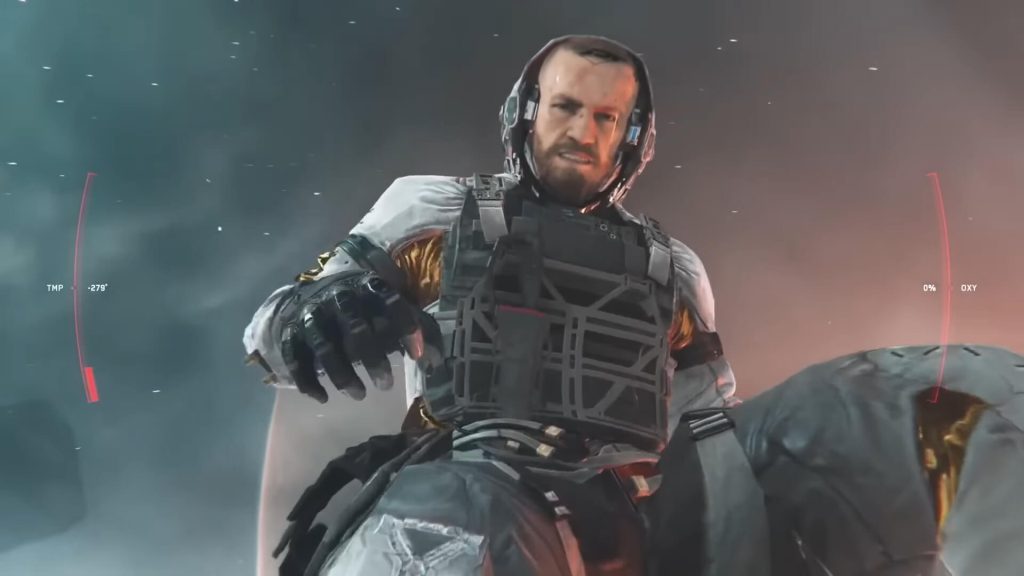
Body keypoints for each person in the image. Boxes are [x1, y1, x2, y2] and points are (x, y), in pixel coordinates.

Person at [243, 35, 738, 575]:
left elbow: (710, 427)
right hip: (457, 493)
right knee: (461, 512)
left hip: (608, 530)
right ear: (525, 113)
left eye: (606, 118)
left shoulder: (671, 270)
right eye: (566, 107)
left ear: (633, 137)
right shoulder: (437, 214)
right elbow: (271, 335)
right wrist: (312, 316)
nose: (583, 133)